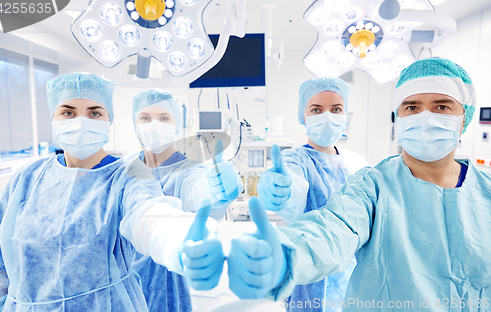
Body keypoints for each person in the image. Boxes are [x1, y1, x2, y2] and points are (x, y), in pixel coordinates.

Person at [226, 58, 491, 311]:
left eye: (441, 106)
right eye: (411, 107)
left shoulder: (485, 191)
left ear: (464, 117)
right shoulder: (373, 186)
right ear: (399, 116)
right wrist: (281, 254)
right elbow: (334, 229)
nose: (425, 117)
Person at [0, 73, 218, 312]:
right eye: (68, 112)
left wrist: (184, 240)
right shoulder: (27, 178)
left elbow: (150, 215)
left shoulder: (128, 177)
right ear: (53, 118)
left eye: (94, 113)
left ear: (108, 120)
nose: (80, 121)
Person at [256, 77, 368, 312]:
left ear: (346, 115)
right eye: (316, 109)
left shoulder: (357, 162)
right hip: (310, 277)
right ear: (303, 116)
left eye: (336, 109)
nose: (327, 116)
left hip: (354, 279)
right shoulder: (294, 160)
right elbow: (293, 192)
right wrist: (281, 189)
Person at [127, 89, 243, 312]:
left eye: (163, 118)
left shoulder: (187, 169)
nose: (153, 125)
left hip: (169, 287)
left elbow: (196, 189)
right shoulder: (125, 169)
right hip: (125, 289)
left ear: (176, 125)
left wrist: (215, 188)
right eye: (145, 118)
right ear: (135, 124)